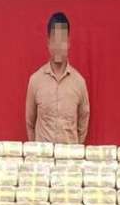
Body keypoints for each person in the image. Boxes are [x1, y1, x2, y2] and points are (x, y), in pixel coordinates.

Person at [25, 12, 90, 144]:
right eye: (55, 40)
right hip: (42, 157)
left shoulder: (79, 83)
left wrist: (74, 150)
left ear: (68, 43)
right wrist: (37, 151)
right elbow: (30, 124)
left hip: (70, 155)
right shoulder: (35, 81)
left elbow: (83, 125)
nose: (59, 46)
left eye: (63, 40)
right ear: (48, 42)